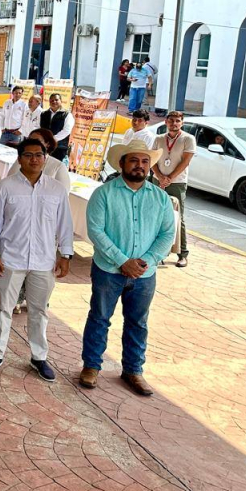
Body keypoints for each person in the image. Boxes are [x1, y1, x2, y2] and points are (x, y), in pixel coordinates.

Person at [81, 140, 175, 396]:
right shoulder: (104, 194)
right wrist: (123, 261)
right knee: (99, 318)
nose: (139, 166)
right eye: (134, 160)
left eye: (145, 161)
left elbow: (167, 234)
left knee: (138, 323)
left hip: (145, 274)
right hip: (108, 271)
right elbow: (96, 231)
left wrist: (146, 261)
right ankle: (91, 366)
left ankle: (133, 370)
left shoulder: (160, 198)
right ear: (122, 163)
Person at [0, 139, 74, 382]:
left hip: (44, 260)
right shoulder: (4, 187)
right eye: (28, 155)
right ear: (20, 158)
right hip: (10, 258)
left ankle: (38, 357)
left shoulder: (56, 189)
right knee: (3, 308)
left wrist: (66, 255)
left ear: (45, 158)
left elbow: (65, 224)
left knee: (39, 310)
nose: (34, 159)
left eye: (38, 155)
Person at [152, 111, 194, 268]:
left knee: (178, 217)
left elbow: (186, 162)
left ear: (182, 123)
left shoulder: (188, 139)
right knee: (155, 216)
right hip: (157, 181)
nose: (174, 124)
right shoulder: (158, 139)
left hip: (177, 183)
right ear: (166, 122)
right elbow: (152, 160)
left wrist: (169, 178)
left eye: (177, 121)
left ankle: (182, 254)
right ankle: (156, 252)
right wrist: (159, 177)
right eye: (171, 121)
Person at [39, 93, 75, 162]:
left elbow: (67, 130)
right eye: (52, 100)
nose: (54, 102)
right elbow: (40, 128)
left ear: (61, 101)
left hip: (59, 147)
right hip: (45, 146)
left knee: (56, 167)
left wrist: (53, 139)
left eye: (56, 100)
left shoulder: (67, 114)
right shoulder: (44, 114)